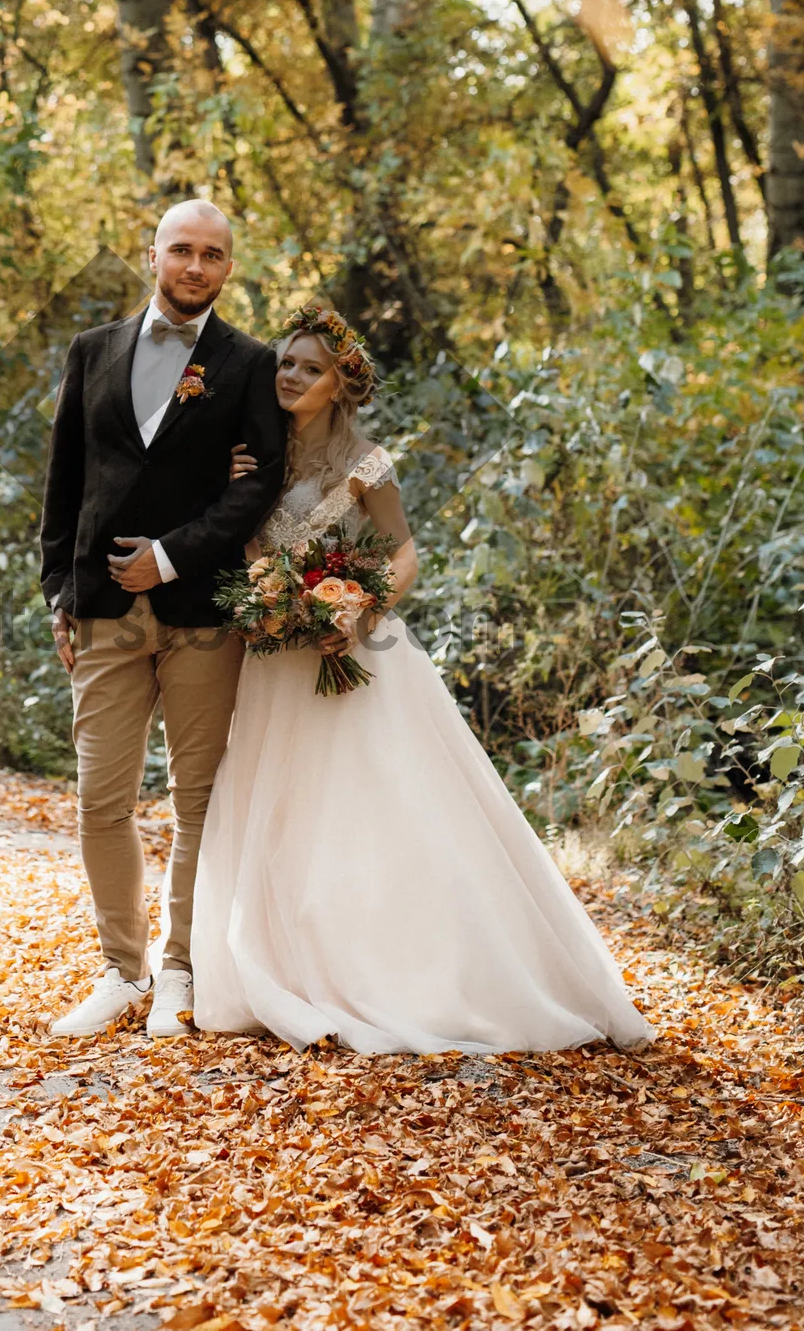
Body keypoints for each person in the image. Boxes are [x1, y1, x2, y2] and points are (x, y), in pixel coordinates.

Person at [190, 304, 653, 1054]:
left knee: (371, 804)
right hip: (275, 655)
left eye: (312, 367)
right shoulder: (255, 453)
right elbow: (240, 534)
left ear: (341, 384)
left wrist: (355, 605)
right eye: (286, 362)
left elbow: (403, 554)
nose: (293, 375)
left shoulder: (369, 463)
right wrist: (269, 594)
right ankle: (277, 961)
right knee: (276, 803)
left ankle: (394, 967)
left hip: (358, 652)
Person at [40, 201, 288, 1038]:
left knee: (198, 801)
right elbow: (64, 478)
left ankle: (180, 973)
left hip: (200, 608)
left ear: (228, 268)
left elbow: (256, 487)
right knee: (99, 799)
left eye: (212, 255)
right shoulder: (91, 351)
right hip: (103, 607)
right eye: (182, 250)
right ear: (152, 254)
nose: (195, 266)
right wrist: (56, 592)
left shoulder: (250, 364)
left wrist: (173, 555)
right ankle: (121, 971)